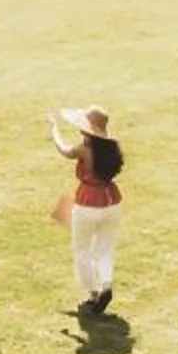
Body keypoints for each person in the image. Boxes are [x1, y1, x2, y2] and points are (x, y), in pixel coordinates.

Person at [50, 103, 124, 317]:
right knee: (105, 249)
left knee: (82, 251)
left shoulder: (84, 149)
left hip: (88, 204)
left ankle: (93, 294)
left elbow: (64, 150)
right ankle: (106, 286)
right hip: (112, 202)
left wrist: (53, 129)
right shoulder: (111, 149)